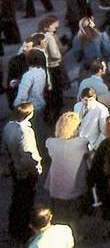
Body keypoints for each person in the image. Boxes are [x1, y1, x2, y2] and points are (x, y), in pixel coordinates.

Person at [3, 102, 43, 243]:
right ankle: (23, 231)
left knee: (17, 199)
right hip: (25, 172)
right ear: (29, 114)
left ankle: (13, 227)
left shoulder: (8, 126)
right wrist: (36, 168)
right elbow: (28, 156)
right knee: (26, 202)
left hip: (15, 167)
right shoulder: (25, 132)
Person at [44, 111, 90, 219]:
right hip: (75, 186)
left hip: (56, 185)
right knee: (73, 216)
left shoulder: (51, 142)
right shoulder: (82, 143)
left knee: (57, 214)